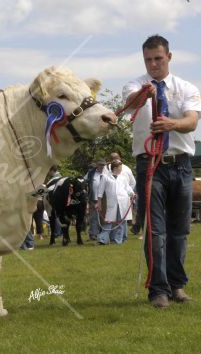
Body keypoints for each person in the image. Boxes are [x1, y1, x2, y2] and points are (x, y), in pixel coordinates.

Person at [123, 34, 201, 308]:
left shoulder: (187, 88)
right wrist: (145, 93)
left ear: (169, 57)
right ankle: (158, 290)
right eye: (148, 60)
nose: (153, 64)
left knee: (179, 231)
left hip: (180, 165)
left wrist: (171, 124)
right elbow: (130, 103)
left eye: (158, 58)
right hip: (149, 165)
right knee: (155, 231)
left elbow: (192, 122)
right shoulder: (136, 85)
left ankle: (177, 286)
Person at [96, 160, 134, 245]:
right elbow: (100, 191)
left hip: (123, 201)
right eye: (120, 167)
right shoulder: (106, 177)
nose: (121, 169)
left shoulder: (123, 178)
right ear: (115, 168)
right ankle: (102, 239)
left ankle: (117, 241)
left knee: (121, 222)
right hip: (112, 203)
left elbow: (127, 188)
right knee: (108, 221)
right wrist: (99, 202)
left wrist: (132, 194)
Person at [84, 159, 106, 241]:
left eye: (103, 165)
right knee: (93, 217)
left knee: (103, 218)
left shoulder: (107, 173)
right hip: (93, 199)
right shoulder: (91, 172)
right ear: (97, 165)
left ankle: (103, 234)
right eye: (100, 165)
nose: (102, 166)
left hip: (104, 200)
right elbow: (84, 181)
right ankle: (93, 234)